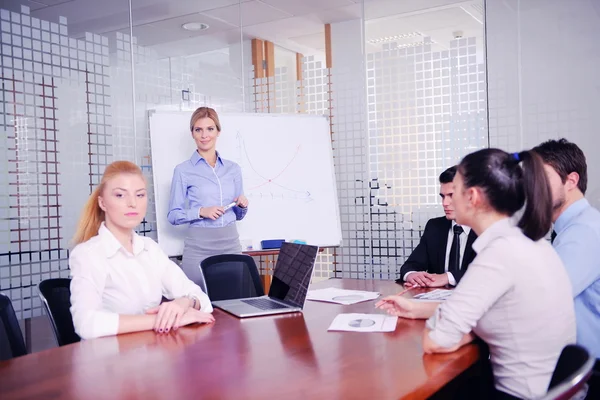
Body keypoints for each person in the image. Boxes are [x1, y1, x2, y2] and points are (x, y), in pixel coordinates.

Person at [377, 148, 576, 399]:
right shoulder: (529, 242)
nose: (447, 201)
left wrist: (464, 332)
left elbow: (436, 341)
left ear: (471, 196)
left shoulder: (498, 255)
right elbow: (490, 309)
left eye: (455, 191)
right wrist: (415, 309)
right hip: (548, 387)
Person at [70, 161, 214, 340]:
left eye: (140, 195)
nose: (132, 203)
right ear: (103, 203)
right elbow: (86, 323)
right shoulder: (88, 254)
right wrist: (163, 320)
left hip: (154, 354)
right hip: (109, 360)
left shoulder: (150, 249)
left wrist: (184, 303)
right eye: (120, 195)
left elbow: (204, 301)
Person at [533, 138, 600, 399]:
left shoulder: (583, 232)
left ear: (571, 181)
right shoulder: (577, 226)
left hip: (589, 372)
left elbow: (542, 299)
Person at [168, 107, 249, 285]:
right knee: (198, 306)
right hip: (198, 249)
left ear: (218, 132)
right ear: (192, 133)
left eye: (210, 129)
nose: (204, 135)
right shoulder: (183, 170)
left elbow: (238, 215)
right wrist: (200, 212)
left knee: (233, 303)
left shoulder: (233, 169)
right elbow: (173, 215)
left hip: (231, 246)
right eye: (199, 129)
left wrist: (243, 206)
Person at [398, 166, 477, 288]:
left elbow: (491, 274)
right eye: (443, 196)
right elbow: (411, 264)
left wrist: (448, 277)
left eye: (451, 195)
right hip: (437, 301)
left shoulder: (486, 229)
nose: (445, 203)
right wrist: (412, 274)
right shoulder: (435, 227)